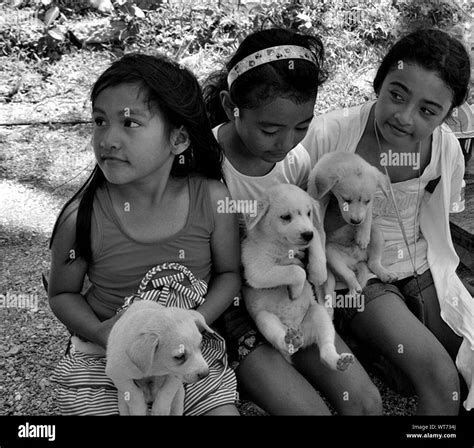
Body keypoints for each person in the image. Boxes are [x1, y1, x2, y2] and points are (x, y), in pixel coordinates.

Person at [48, 53, 241, 416]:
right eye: (100, 121)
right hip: (105, 361)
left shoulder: (213, 200)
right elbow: (61, 293)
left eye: (130, 123)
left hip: (187, 359)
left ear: (179, 139)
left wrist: (195, 321)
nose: (107, 139)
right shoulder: (82, 218)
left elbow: (229, 273)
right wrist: (102, 333)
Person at [203, 28, 383, 415]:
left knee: (366, 404)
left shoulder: (296, 161)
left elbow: (310, 228)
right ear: (229, 105)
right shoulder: (205, 163)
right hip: (229, 307)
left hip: (295, 296)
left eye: (302, 127)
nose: (285, 142)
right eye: (269, 129)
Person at [300, 28, 473, 414]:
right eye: (396, 94)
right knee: (441, 378)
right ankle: (370, 336)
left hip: (419, 263)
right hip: (358, 271)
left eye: (428, 110)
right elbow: (287, 205)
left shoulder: (445, 149)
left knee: (468, 361)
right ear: (379, 82)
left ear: (450, 115)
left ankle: (385, 356)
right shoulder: (329, 135)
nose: (404, 116)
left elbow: (438, 214)